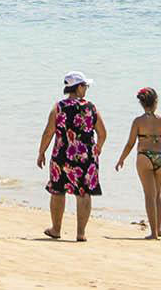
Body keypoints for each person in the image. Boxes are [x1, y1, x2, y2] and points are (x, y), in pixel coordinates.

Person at [37, 71, 106, 242]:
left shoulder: (58, 107)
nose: (86, 89)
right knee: (83, 193)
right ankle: (81, 233)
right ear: (79, 87)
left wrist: (41, 152)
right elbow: (103, 133)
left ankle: (56, 229)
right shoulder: (91, 107)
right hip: (85, 157)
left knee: (58, 191)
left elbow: (48, 132)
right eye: (86, 86)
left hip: (62, 155)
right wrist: (98, 148)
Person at [113, 87, 161, 239]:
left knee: (149, 195)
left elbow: (130, 143)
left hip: (144, 156)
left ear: (142, 104)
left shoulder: (138, 121)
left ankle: (154, 233)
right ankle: (159, 228)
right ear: (156, 102)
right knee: (158, 193)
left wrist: (121, 158)